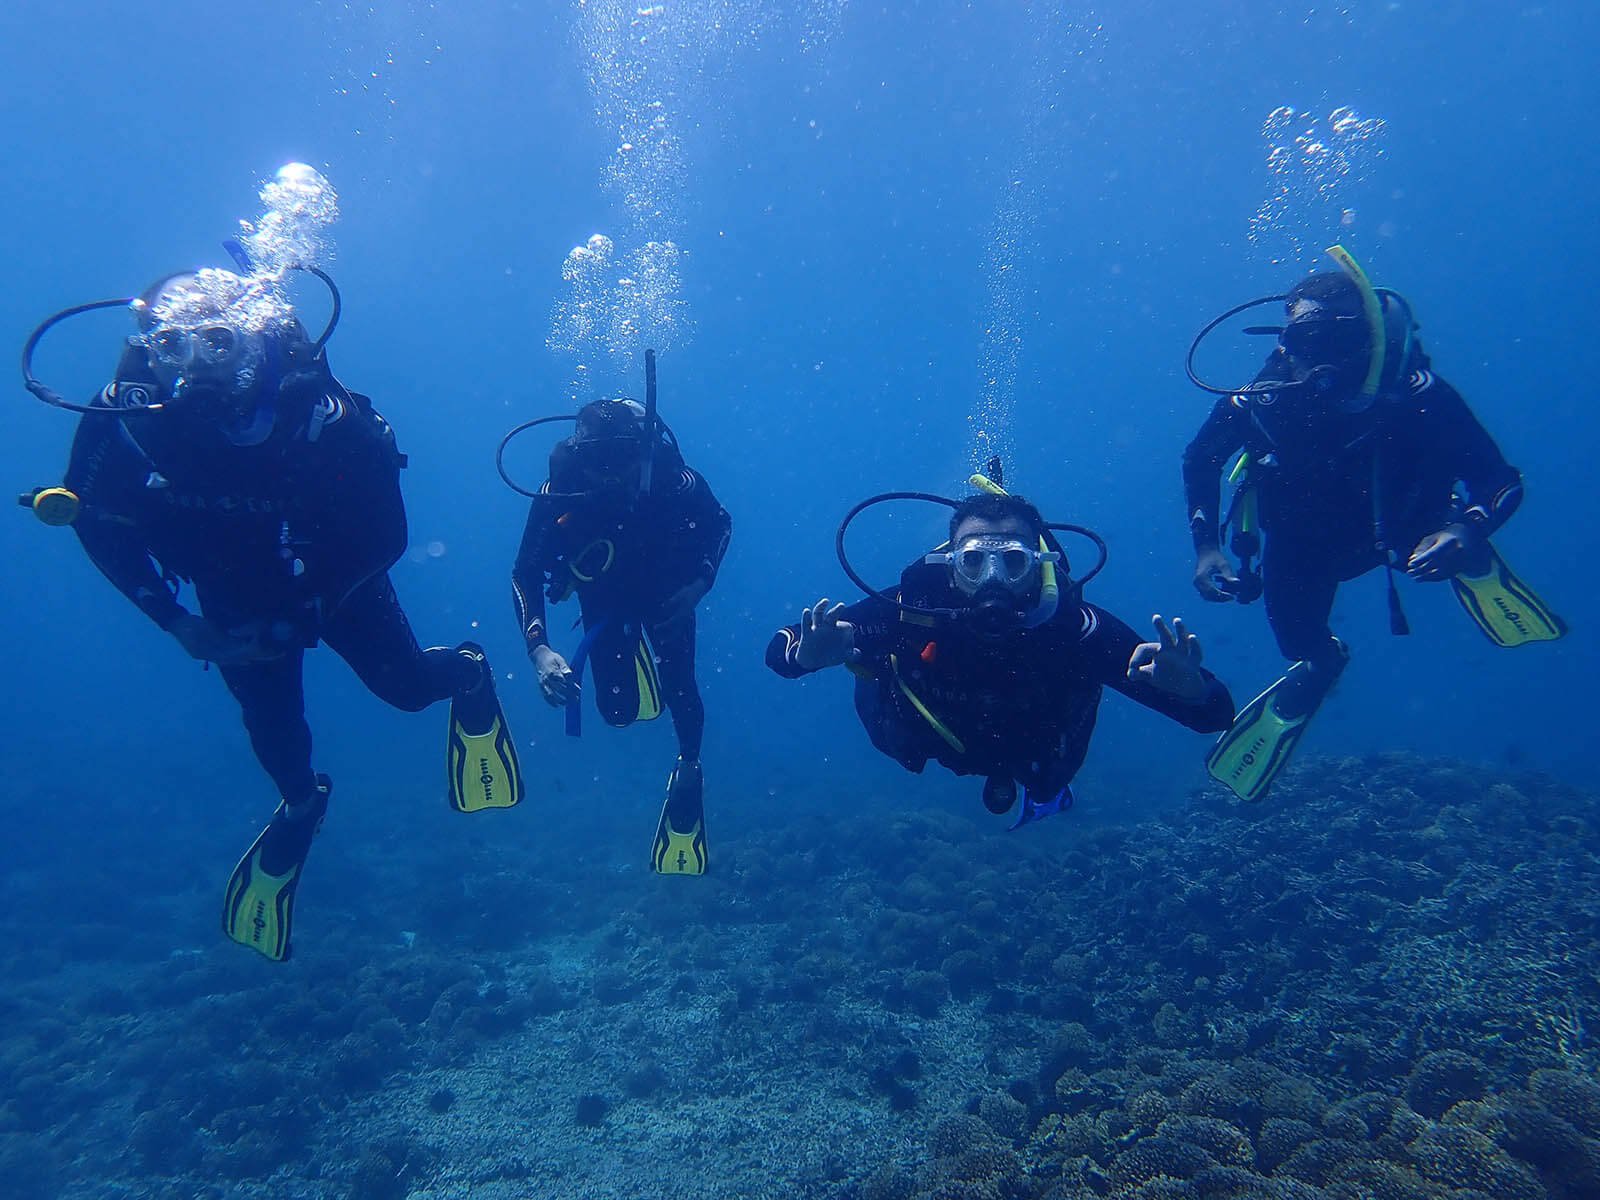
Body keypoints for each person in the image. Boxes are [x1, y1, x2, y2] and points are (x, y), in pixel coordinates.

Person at [26, 265, 524, 961]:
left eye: (219, 342)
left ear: (253, 341)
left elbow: (385, 535)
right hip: (230, 594)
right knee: (274, 733)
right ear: (150, 348)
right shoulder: (129, 418)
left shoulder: (318, 414)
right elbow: (93, 520)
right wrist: (175, 621)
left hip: (335, 580)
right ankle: (301, 804)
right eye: (174, 345)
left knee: (407, 689)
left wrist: (309, 611)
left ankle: (466, 672)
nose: (197, 367)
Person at [1183, 246, 1565, 802]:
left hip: (1411, 529)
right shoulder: (1261, 400)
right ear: (1284, 345)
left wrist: (1467, 529)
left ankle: (1469, 555)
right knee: (1298, 644)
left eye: (1335, 342)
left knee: (1450, 537)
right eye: (1304, 343)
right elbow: (1201, 458)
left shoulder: (1414, 394)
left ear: (1368, 340)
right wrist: (1206, 547)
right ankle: (1323, 662)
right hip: (1306, 544)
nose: (1319, 364)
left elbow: (1500, 480)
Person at [764, 482, 1234, 822]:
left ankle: (1044, 793)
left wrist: (1188, 690)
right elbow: (778, 650)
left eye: (1012, 561)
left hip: (1033, 749)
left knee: (1048, 777)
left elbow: (1216, 715)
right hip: (928, 737)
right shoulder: (911, 609)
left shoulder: (1074, 626)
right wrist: (809, 655)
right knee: (871, 670)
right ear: (950, 566)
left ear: (1039, 563)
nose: (993, 579)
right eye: (973, 561)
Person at [510, 392, 731, 875]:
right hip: (604, 598)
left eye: (622, 461)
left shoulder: (672, 479)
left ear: (642, 451)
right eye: (598, 463)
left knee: (681, 686)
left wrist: (697, 587)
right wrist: (538, 649)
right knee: (617, 714)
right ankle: (634, 655)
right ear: (579, 457)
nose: (609, 476)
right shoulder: (560, 490)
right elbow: (524, 571)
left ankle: (689, 767)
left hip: (669, 596)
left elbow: (720, 524)